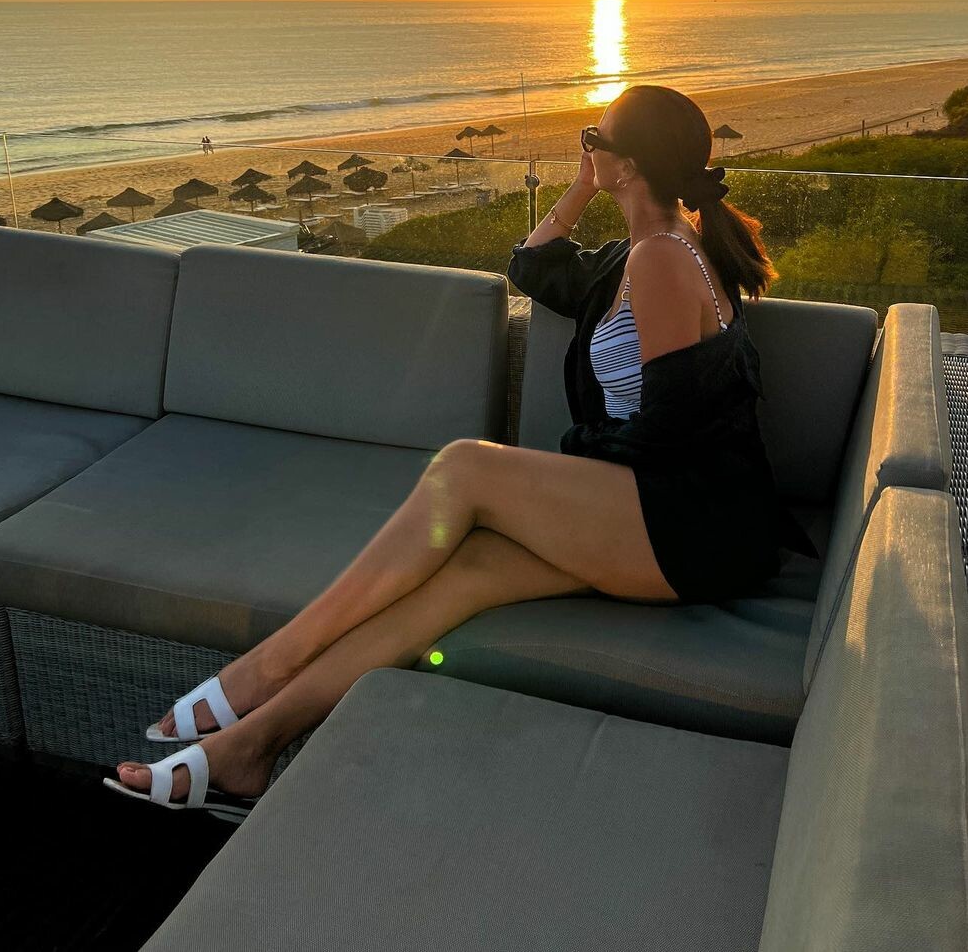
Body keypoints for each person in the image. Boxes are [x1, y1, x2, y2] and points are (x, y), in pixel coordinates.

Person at [105, 84, 813, 814]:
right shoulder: (644, 250)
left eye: (594, 140)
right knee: (461, 575)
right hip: (673, 510)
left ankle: (264, 668)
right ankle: (248, 749)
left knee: (464, 467)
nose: (586, 148)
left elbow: (674, 427)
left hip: (694, 527)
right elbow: (531, 264)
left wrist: (555, 483)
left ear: (630, 165)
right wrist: (582, 184)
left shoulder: (662, 257)